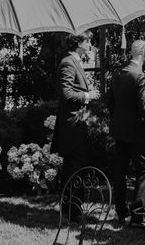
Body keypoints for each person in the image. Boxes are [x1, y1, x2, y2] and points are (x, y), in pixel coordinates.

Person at [109, 40, 145, 228]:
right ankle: (137, 216)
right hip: (137, 135)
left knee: (120, 173)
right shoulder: (140, 76)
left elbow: (110, 101)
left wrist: (119, 119)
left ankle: (121, 213)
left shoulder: (118, 72)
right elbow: (144, 108)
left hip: (119, 132)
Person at [51, 30, 100, 214]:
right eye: (89, 41)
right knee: (76, 167)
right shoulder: (68, 63)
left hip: (78, 123)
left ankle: (72, 209)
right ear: (79, 42)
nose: (90, 45)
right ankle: (72, 211)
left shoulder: (75, 62)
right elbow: (66, 93)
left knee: (76, 167)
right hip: (72, 125)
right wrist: (88, 95)